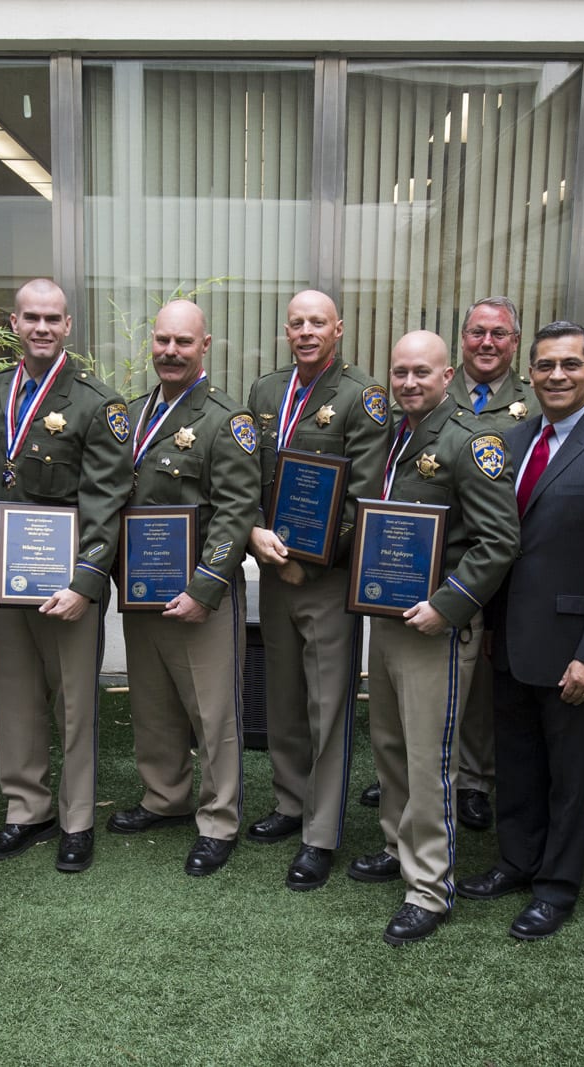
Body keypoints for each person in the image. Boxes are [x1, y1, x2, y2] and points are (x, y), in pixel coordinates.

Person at [461, 320, 584, 941]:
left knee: (571, 775)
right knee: (517, 763)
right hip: (511, 638)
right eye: (545, 366)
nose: (556, 376)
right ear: (531, 373)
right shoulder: (509, 443)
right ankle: (517, 861)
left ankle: (556, 886)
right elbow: (500, 546)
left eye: (570, 365)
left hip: (576, 647)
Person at [344, 330, 518, 945]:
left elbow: (500, 541)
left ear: (449, 377)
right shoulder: (393, 435)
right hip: (387, 619)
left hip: (437, 628)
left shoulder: (473, 441)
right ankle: (397, 845)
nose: (410, 382)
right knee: (390, 746)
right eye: (400, 372)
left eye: (423, 372)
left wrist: (448, 607)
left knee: (428, 759)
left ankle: (430, 886)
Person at [0, 279, 129, 874]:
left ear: (69, 327)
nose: (42, 327)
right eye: (31, 317)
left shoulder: (97, 403)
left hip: (68, 584)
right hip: (8, 580)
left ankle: (77, 817)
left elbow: (108, 496)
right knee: (15, 695)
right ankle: (25, 809)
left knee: (74, 703)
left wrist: (86, 579)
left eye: (53, 319)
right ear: (13, 323)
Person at [108, 300, 258, 877]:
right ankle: (164, 797)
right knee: (152, 704)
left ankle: (219, 819)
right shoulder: (134, 414)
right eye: (162, 340)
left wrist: (207, 586)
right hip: (142, 590)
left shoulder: (227, 420)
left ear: (206, 346)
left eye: (183, 342)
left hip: (200, 596)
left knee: (211, 712)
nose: (170, 351)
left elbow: (236, 509)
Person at [244, 290, 389, 891]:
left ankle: (321, 833)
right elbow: (247, 472)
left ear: (339, 330)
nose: (306, 332)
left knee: (328, 704)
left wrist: (317, 557)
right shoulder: (264, 391)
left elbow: (366, 493)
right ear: (286, 331)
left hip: (327, 578)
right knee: (283, 694)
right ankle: (289, 801)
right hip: (275, 570)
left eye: (317, 323)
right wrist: (255, 533)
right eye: (297, 323)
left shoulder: (363, 397)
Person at [444, 296, 533, 832]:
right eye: (477, 332)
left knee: (481, 682)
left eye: (499, 334)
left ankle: (474, 778)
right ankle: (423, 771)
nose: (487, 342)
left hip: (506, 558)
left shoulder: (535, 400)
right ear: (462, 339)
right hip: (435, 558)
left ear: (514, 343)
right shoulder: (434, 389)